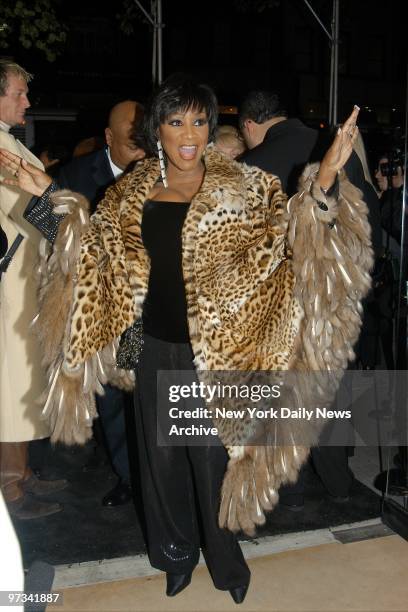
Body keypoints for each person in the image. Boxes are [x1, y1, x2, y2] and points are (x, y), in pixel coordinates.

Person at [0, 74, 372, 603]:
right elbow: (90, 256)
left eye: (200, 120)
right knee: (160, 463)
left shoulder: (248, 188)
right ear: (159, 131)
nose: (191, 133)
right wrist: (47, 199)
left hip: (217, 354)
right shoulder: (128, 193)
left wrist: (327, 180)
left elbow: (295, 239)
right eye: (177, 122)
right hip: (153, 347)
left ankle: (226, 564)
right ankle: (174, 556)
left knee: (212, 462)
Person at [238, 89, 382, 509]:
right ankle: (337, 481)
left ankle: (283, 485)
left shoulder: (250, 166)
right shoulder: (334, 151)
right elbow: (365, 213)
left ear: (249, 125)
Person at [0, 59, 67, 520]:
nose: (27, 101)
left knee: (22, 380)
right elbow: (30, 208)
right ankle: (10, 487)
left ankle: (21, 473)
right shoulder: (2, 148)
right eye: (19, 93)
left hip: (24, 277)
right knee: (11, 383)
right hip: (13, 281)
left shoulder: (7, 142)